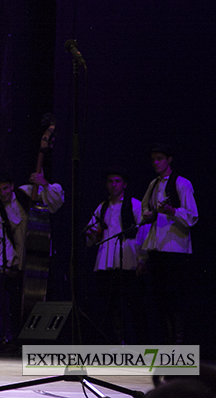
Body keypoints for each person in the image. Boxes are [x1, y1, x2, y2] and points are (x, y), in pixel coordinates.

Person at [0, 171, 63, 341]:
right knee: (20, 305)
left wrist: (44, 183)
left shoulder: (28, 192)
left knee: (47, 299)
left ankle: (49, 340)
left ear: (12, 186)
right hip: (22, 264)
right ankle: (21, 341)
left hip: (44, 256)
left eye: (6, 188)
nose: (3, 193)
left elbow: (56, 202)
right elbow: (0, 242)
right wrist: (7, 266)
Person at [140, 143, 198, 344]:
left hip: (176, 250)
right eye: (153, 159)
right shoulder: (153, 185)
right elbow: (145, 210)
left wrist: (172, 211)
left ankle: (179, 344)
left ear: (169, 159)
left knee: (176, 301)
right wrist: (148, 215)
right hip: (158, 249)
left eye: (160, 159)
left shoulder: (181, 183)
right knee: (161, 301)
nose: (156, 163)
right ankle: (167, 342)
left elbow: (192, 216)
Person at [84, 167, 149, 344]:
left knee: (133, 305)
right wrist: (91, 235)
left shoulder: (134, 204)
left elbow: (143, 232)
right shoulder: (102, 207)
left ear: (124, 184)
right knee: (110, 305)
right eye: (110, 181)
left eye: (117, 181)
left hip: (128, 261)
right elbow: (91, 233)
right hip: (106, 261)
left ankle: (139, 344)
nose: (113, 185)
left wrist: (142, 259)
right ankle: (117, 342)